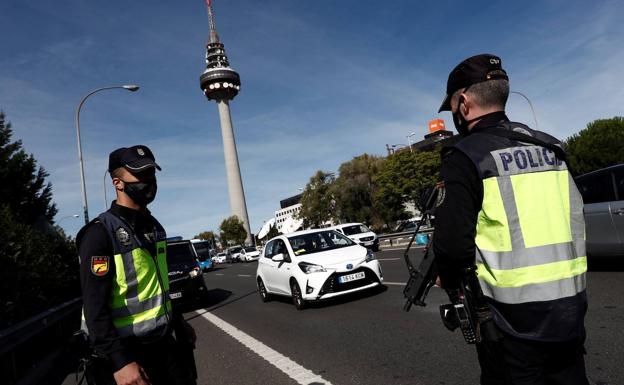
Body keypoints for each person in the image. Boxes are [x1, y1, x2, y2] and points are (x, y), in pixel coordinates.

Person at [433, 54, 589, 385]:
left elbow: (452, 248)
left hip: (511, 323)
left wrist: (446, 278)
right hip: (571, 311)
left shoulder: (464, 157)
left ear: (463, 104)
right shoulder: (551, 148)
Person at [77, 145, 197, 385]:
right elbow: (94, 308)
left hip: (163, 344)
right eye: (140, 175)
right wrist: (120, 361)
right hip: (124, 354)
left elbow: (158, 287)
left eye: (151, 173)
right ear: (117, 182)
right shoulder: (100, 234)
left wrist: (178, 322)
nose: (148, 181)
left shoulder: (154, 227)